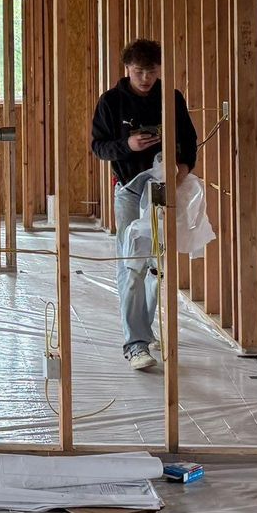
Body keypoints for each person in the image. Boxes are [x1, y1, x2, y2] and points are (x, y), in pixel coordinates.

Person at [90, 39, 197, 371]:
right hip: (128, 190)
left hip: (162, 189)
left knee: (155, 264)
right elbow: (99, 147)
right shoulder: (111, 102)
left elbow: (189, 141)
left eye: (151, 71)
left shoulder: (171, 98)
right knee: (131, 263)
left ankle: (143, 331)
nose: (146, 78)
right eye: (139, 72)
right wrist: (128, 144)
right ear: (127, 69)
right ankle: (135, 344)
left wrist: (184, 167)